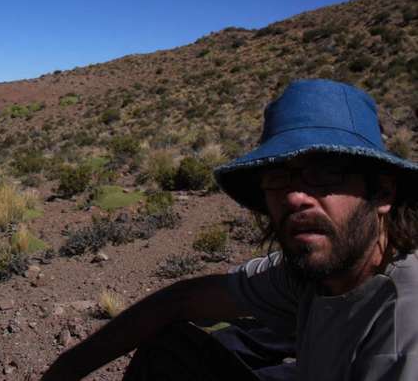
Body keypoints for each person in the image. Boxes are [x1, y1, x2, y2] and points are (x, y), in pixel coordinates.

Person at [41, 79, 418, 380]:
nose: (295, 196)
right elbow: (180, 300)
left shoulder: (404, 328)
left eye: (325, 174)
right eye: (278, 177)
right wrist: (64, 371)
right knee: (175, 350)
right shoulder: (316, 273)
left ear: (382, 191)